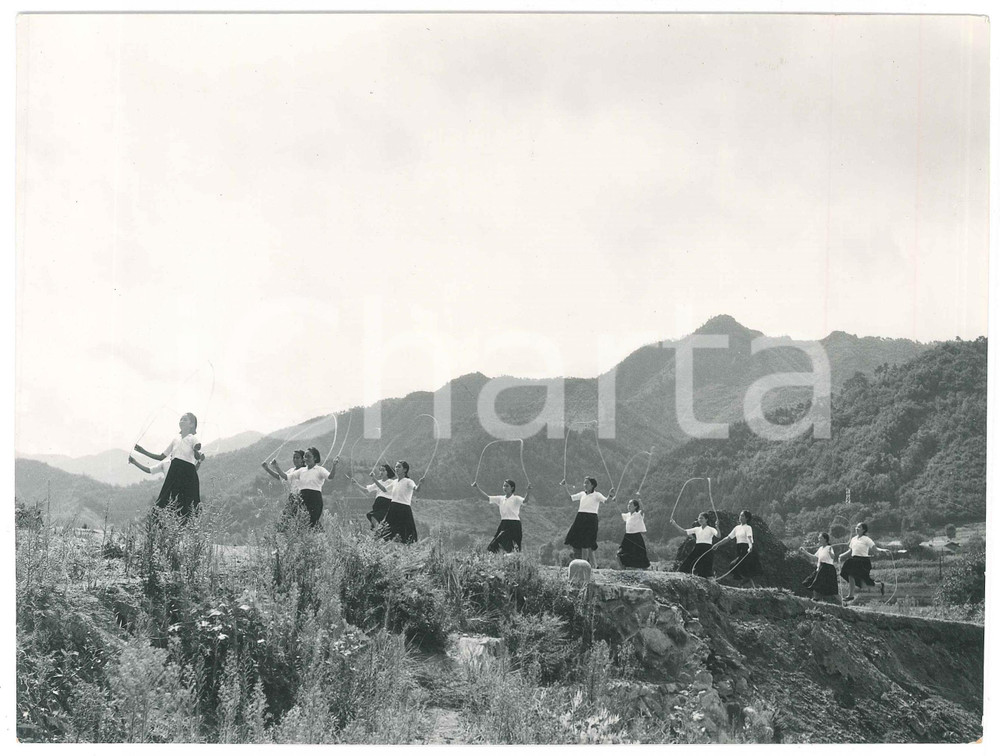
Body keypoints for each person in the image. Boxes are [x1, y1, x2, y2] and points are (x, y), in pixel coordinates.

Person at [131, 412, 205, 521]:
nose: (181, 421)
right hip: (174, 471)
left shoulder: (192, 438)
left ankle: (184, 527)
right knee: (165, 499)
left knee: (188, 502)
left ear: (192, 425)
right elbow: (161, 457)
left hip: (188, 472)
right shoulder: (176, 439)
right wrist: (143, 451)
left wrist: (197, 452)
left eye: (185, 419)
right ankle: (158, 526)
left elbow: (197, 449)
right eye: (181, 419)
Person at [560, 476, 615, 568]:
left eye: (587, 483)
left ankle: (584, 565)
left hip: (591, 519)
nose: (585, 485)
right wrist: (564, 487)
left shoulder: (597, 495)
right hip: (580, 518)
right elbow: (570, 498)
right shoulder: (582, 494)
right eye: (584, 483)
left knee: (586, 543)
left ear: (592, 485)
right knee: (586, 545)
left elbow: (606, 501)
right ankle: (594, 565)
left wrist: (610, 495)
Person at [472, 477, 531, 553]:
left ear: (512, 488)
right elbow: (487, 498)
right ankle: (500, 560)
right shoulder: (500, 499)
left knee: (514, 547)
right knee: (494, 545)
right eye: (504, 486)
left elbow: (525, 501)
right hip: (504, 524)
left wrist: (528, 491)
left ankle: (512, 561)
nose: (504, 487)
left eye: (507, 486)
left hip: (514, 524)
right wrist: (477, 488)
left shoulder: (516, 498)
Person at [373, 460, 423, 543]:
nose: (396, 468)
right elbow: (384, 489)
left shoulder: (409, 481)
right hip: (393, 507)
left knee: (406, 531)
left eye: (399, 467)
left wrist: (420, 483)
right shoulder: (395, 482)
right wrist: (374, 479)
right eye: (396, 466)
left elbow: (416, 489)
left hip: (404, 508)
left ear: (405, 470)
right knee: (386, 529)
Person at [288, 447, 339, 528]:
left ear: (315, 458)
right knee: (302, 522)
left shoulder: (320, 470)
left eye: (308, 456)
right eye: (305, 456)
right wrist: (276, 467)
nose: (306, 458)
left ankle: (321, 537)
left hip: (315, 499)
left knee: (312, 521)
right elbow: (287, 477)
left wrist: (334, 465)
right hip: (302, 498)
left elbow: (330, 477)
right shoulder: (301, 471)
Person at [838, 522, 887, 603]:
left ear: (864, 530)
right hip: (853, 560)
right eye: (856, 527)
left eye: (859, 527)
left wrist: (883, 550)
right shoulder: (853, 539)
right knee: (850, 575)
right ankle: (851, 596)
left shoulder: (867, 539)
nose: (856, 528)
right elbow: (850, 551)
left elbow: (875, 549)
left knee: (865, 583)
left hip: (863, 562)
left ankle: (880, 585)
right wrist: (841, 555)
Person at [712, 510, 762, 587]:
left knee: (737, 565)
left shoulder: (748, 528)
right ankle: (749, 585)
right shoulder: (737, 528)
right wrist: (717, 544)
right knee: (736, 567)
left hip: (747, 550)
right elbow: (728, 538)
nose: (740, 517)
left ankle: (749, 585)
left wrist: (750, 547)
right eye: (740, 515)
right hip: (739, 549)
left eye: (742, 516)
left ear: (747, 518)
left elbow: (749, 538)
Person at [347, 463, 396, 528]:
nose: (381, 472)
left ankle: (379, 532)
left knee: (375, 517)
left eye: (383, 470)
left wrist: (374, 479)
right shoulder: (379, 482)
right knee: (373, 517)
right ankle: (379, 532)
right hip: (378, 505)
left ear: (389, 472)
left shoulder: (391, 482)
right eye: (380, 470)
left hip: (386, 504)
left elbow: (383, 489)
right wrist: (356, 484)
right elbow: (366, 490)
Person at [671, 511, 718, 577]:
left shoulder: (711, 529)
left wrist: (717, 527)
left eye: (702, 518)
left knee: (706, 565)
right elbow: (684, 532)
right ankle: (684, 574)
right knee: (689, 561)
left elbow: (718, 535)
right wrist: (674, 524)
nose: (700, 520)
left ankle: (708, 577)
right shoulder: (697, 529)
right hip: (698, 547)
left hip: (707, 548)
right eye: (699, 518)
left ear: (706, 519)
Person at [262, 450, 306, 516]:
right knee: (286, 518)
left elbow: (284, 476)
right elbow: (279, 476)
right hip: (292, 497)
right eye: (294, 457)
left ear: (302, 459)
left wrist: (276, 467)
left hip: (301, 498)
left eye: (297, 458)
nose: (295, 459)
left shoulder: (304, 470)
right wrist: (267, 469)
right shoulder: (292, 470)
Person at [799, 532, 840, 603]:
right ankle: (816, 598)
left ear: (825, 539)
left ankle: (843, 603)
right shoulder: (820, 548)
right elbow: (814, 558)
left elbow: (833, 557)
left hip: (828, 569)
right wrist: (805, 552)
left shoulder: (829, 547)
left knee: (832, 590)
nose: (819, 539)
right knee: (811, 581)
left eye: (820, 538)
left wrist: (830, 552)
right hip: (820, 568)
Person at [618, 498, 651, 569]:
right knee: (619, 554)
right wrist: (615, 502)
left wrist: (640, 499)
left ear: (635, 506)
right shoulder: (628, 515)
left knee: (639, 555)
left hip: (636, 536)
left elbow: (643, 510)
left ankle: (642, 570)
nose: (628, 505)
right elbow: (620, 513)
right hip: (627, 536)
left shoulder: (638, 514)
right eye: (628, 504)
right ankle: (623, 570)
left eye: (631, 504)